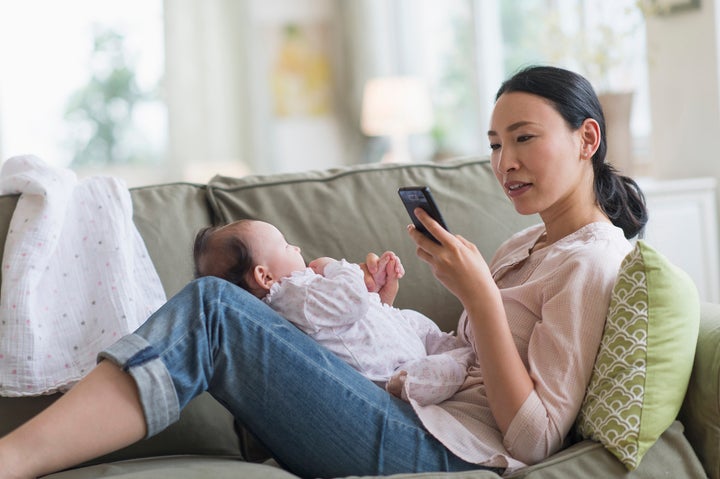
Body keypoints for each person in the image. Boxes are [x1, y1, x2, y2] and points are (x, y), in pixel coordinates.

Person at [0, 65, 647, 479]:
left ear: (588, 138)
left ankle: (14, 459)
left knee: (213, 309)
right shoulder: (523, 242)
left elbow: (533, 440)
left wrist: (478, 297)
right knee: (232, 309)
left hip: (445, 450)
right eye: (495, 143)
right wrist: (379, 307)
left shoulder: (593, 261)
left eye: (524, 137)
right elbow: (461, 358)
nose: (505, 161)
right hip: (417, 410)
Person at [192, 219, 474, 404]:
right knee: (448, 366)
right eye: (286, 245)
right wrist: (336, 266)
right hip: (394, 372)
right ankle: (463, 357)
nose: (297, 247)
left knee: (413, 320)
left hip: (391, 352)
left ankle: (458, 351)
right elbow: (351, 302)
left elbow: (350, 322)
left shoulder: (300, 295)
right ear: (264, 277)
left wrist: (376, 293)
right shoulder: (293, 294)